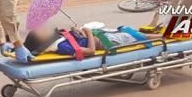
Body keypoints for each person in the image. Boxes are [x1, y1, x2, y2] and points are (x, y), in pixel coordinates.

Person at [25, 25, 154, 58]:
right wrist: (88, 33)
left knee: (129, 31)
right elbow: (91, 51)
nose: (44, 29)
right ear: (42, 41)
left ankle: (164, 34)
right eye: (41, 32)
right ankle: (166, 36)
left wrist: (77, 30)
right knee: (138, 36)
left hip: (102, 35)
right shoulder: (63, 47)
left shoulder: (59, 39)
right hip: (107, 42)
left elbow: (78, 39)